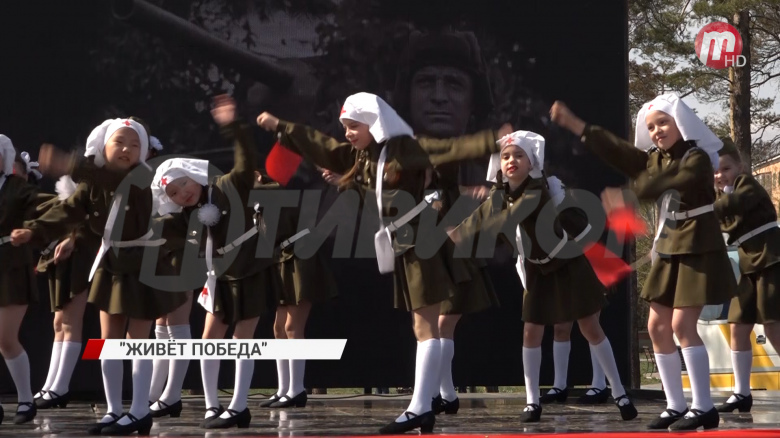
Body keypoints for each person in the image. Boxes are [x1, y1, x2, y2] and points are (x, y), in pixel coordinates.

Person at [257, 92, 511, 434]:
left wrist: (491, 139)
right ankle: (428, 403)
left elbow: (449, 149)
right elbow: (324, 147)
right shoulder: (364, 157)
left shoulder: (403, 148)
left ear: (373, 122)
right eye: (345, 127)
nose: (347, 133)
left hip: (424, 242)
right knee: (425, 327)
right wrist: (283, 128)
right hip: (407, 245)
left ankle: (421, 407)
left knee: (425, 327)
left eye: (353, 126)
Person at [551, 93, 737, 430]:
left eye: (663, 123)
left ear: (680, 123)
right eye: (651, 127)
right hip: (670, 245)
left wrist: (631, 194)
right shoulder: (654, 159)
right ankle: (675, 404)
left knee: (682, 326)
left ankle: (704, 407)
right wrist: (578, 126)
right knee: (656, 327)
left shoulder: (696, 157)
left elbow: (677, 181)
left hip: (697, 244)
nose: (656, 131)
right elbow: (619, 152)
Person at [12, 118, 188, 435]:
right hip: (111, 263)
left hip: (142, 264)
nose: (127, 149)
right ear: (103, 146)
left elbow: (112, 180)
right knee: (109, 343)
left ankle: (139, 411)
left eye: (134, 144)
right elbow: (68, 211)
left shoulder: (140, 176)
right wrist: (34, 231)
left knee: (137, 342)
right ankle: (113, 410)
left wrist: (69, 164)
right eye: (119, 142)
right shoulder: (92, 183)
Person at [450, 130, 637, 423]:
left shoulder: (537, 190)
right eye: (505, 156)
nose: (511, 160)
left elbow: (508, 217)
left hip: (568, 265)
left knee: (590, 327)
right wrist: (453, 233)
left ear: (531, 162)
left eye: (518, 155)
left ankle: (619, 392)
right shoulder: (500, 194)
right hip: (537, 270)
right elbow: (479, 218)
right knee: (531, 332)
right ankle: (532, 402)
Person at [152, 95, 281, 429]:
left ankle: (239, 406)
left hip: (249, 271)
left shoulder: (227, 185)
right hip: (218, 277)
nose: (183, 194)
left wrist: (233, 127)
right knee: (210, 341)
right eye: (174, 194)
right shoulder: (186, 215)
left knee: (242, 341)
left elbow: (246, 159)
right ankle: (212, 406)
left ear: (193, 176)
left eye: (183, 184)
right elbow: (160, 229)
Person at [713, 137, 780, 413]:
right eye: (715, 171)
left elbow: (733, 205)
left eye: (725, 168)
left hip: (770, 260)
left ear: (740, 167)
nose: (720, 175)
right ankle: (741, 392)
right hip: (748, 265)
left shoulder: (747, 185)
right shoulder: (721, 197)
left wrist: (702, 209)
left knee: (773, 325)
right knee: (738, 324)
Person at [0, 136, 41, 425]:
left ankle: (26, 399)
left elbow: (45, 210)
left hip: (11, 267)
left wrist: (29, 230)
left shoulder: (17, 187)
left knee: (5, 337)